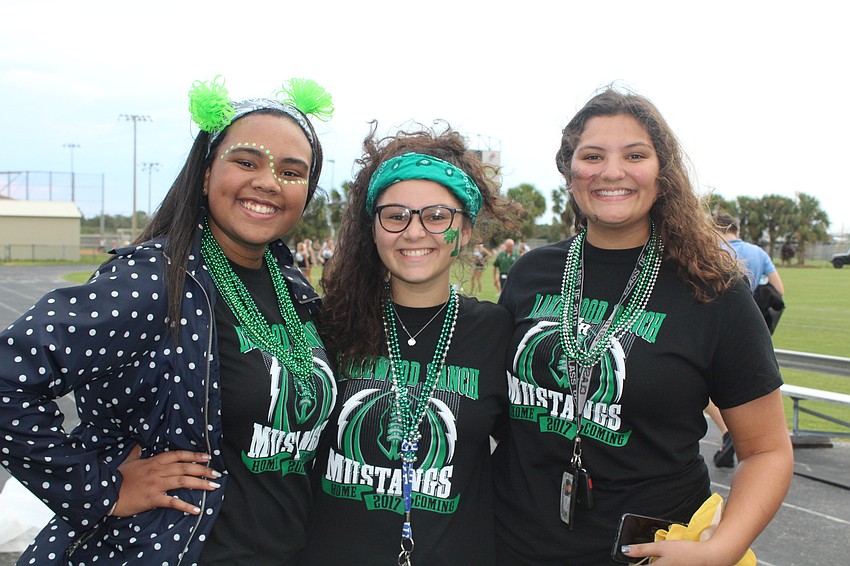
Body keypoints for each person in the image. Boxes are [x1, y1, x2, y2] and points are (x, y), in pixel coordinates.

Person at [0, 76, 338, 565]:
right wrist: (102, 490)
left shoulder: (295, 291)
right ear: (205, 174)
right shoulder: (157, 279)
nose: (267, 181)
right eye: (246, 161)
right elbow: (8, 375)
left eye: (291, 171)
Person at [492, 88, 793, 565]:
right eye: (592, 156)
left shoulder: (712, 290)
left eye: (635, 155)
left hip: (649, 551)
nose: (612, 171)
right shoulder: (531, 274)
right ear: (570, 172)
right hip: (514, 545)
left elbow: (768, 451)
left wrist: (720, 550)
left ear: (661, 172)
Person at [301, 123, 519, 565]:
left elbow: (540, 460)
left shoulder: (496, 332)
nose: (415, 232)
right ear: (373, 228)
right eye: (395, 215)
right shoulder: (326, 323)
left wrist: (705, 531)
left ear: (469, 229)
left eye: (437, 216)